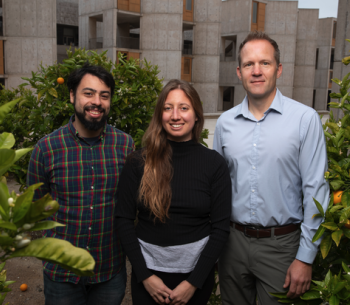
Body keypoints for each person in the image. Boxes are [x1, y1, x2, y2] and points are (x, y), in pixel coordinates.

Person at [214, 31, 330, 304]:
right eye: (248, 64)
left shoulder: (305, 119)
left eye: (264, 63)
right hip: (232, 244)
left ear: (278, 70)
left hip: (283, 246)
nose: (256, 71)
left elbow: (316, 189)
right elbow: (216, 188)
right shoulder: (225, 123)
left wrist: (305, 256)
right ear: (238, 72)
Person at [115, 79, 231, 305]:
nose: (175, 115)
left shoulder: (214, 164)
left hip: (196, 278)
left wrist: (193, 283)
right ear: (160, 115)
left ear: (196, 115)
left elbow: (220, 228)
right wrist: (145, 276)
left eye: (184, 108)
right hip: (148, 277)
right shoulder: (138, 162)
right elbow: (123, 220)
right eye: (168, 108)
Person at [27, 63, 134, 305]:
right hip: (62, 274)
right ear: (72, 95)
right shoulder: (46, 149)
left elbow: (130, 204)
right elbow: (35, 209)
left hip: (109, 270)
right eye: (89, 93)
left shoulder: (125, 146)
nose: (97, 101)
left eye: (104, 95)